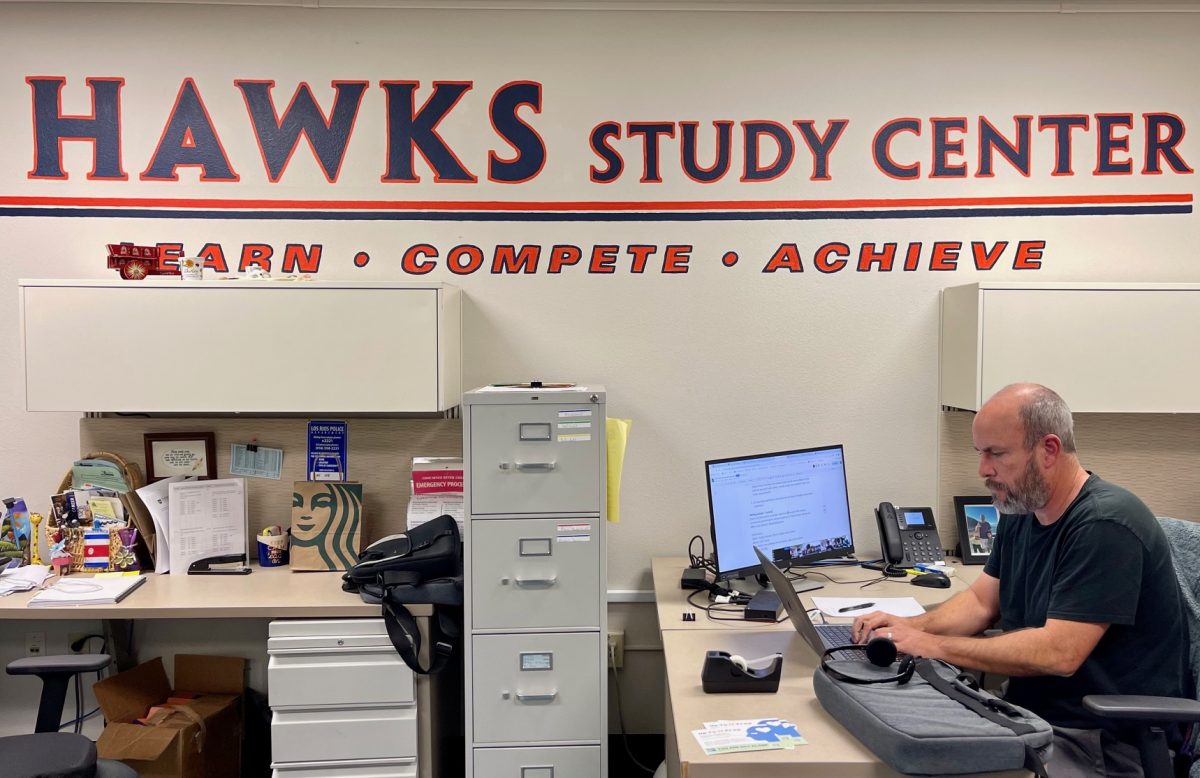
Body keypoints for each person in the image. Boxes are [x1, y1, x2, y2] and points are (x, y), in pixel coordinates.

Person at [852, 383, 1191, 777]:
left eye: (996, 453)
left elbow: (1058, 654)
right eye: (980, 453)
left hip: (1103, 743)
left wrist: (929, 644)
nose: (983, 470)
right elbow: (981, 602)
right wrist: (909, 627)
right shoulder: (1020, 509)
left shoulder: (1104, 525)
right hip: (1031, 719)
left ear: (1048, 450)